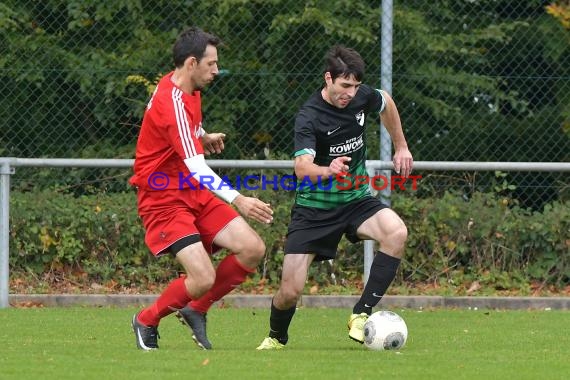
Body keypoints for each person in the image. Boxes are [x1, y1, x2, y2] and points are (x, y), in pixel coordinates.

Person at [256, 45, 413, 350]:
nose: (350, 94)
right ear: (328, 78)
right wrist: (327, 170)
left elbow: (387, 103)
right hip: (314, 209)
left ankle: (361, 314)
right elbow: (301, 168)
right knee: (290, 291)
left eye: (355, 86)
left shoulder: (362, 96)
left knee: (396, 232)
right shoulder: (309, 116)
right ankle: (277, 338)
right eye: (344, 86)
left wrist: (401, 146)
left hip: (355, 201)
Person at [129, 26, 273, 351]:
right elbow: (195, 163)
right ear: (192, 63)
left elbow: (183, 128)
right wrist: (239, 199)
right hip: (163, 198)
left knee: (252, 248)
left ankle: (196, 309)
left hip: (192, 191)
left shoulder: (186, 86)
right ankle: (146, 319)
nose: (216, 71)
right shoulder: (171, 101)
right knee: (203, 278)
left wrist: (201, 135)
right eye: (212, 64)